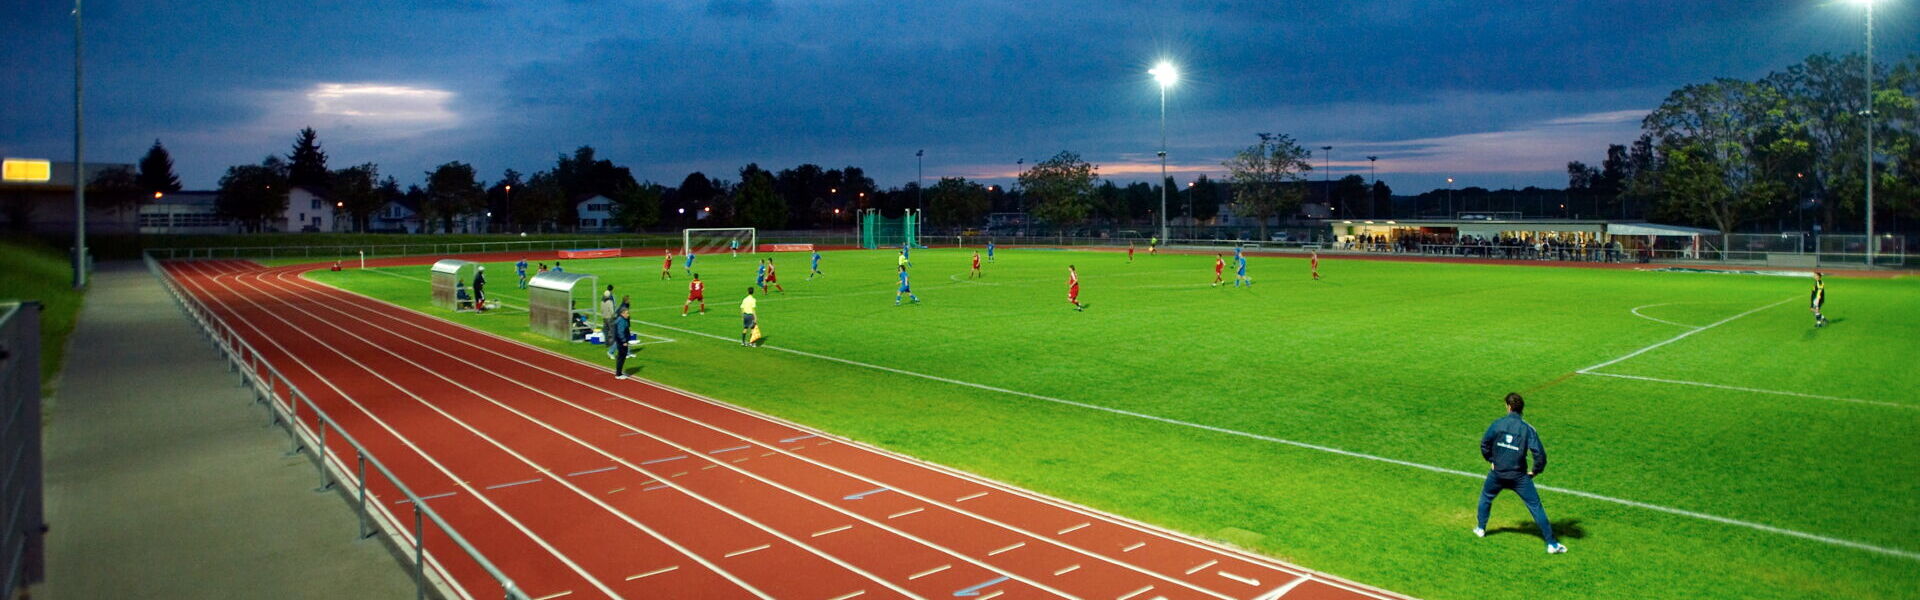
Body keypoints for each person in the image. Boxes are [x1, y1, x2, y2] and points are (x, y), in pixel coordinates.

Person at [1475, 393, 1567, 554]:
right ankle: (1552, 544)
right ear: (1521, 408)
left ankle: (1481, 528)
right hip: (1519, 477)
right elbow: (1539, 454)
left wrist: (1491, 459)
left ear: (1508, 407)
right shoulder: (1527, 429)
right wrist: (1535, 471)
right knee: (1536, 507)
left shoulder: (1497, 424)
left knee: (1486, 498)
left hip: (1497, 474)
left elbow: (1484, 444)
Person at [610, 306, 633, 379]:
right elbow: (620, 332)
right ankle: (618, 374)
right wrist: (624, 341)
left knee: (621, 357)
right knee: (621, 357)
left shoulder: (621, 319)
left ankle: (619, 372)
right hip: (622, 341)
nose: (628, 315)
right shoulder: (622, 321)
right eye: (627, 313)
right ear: (622, 313)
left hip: (620, 340)